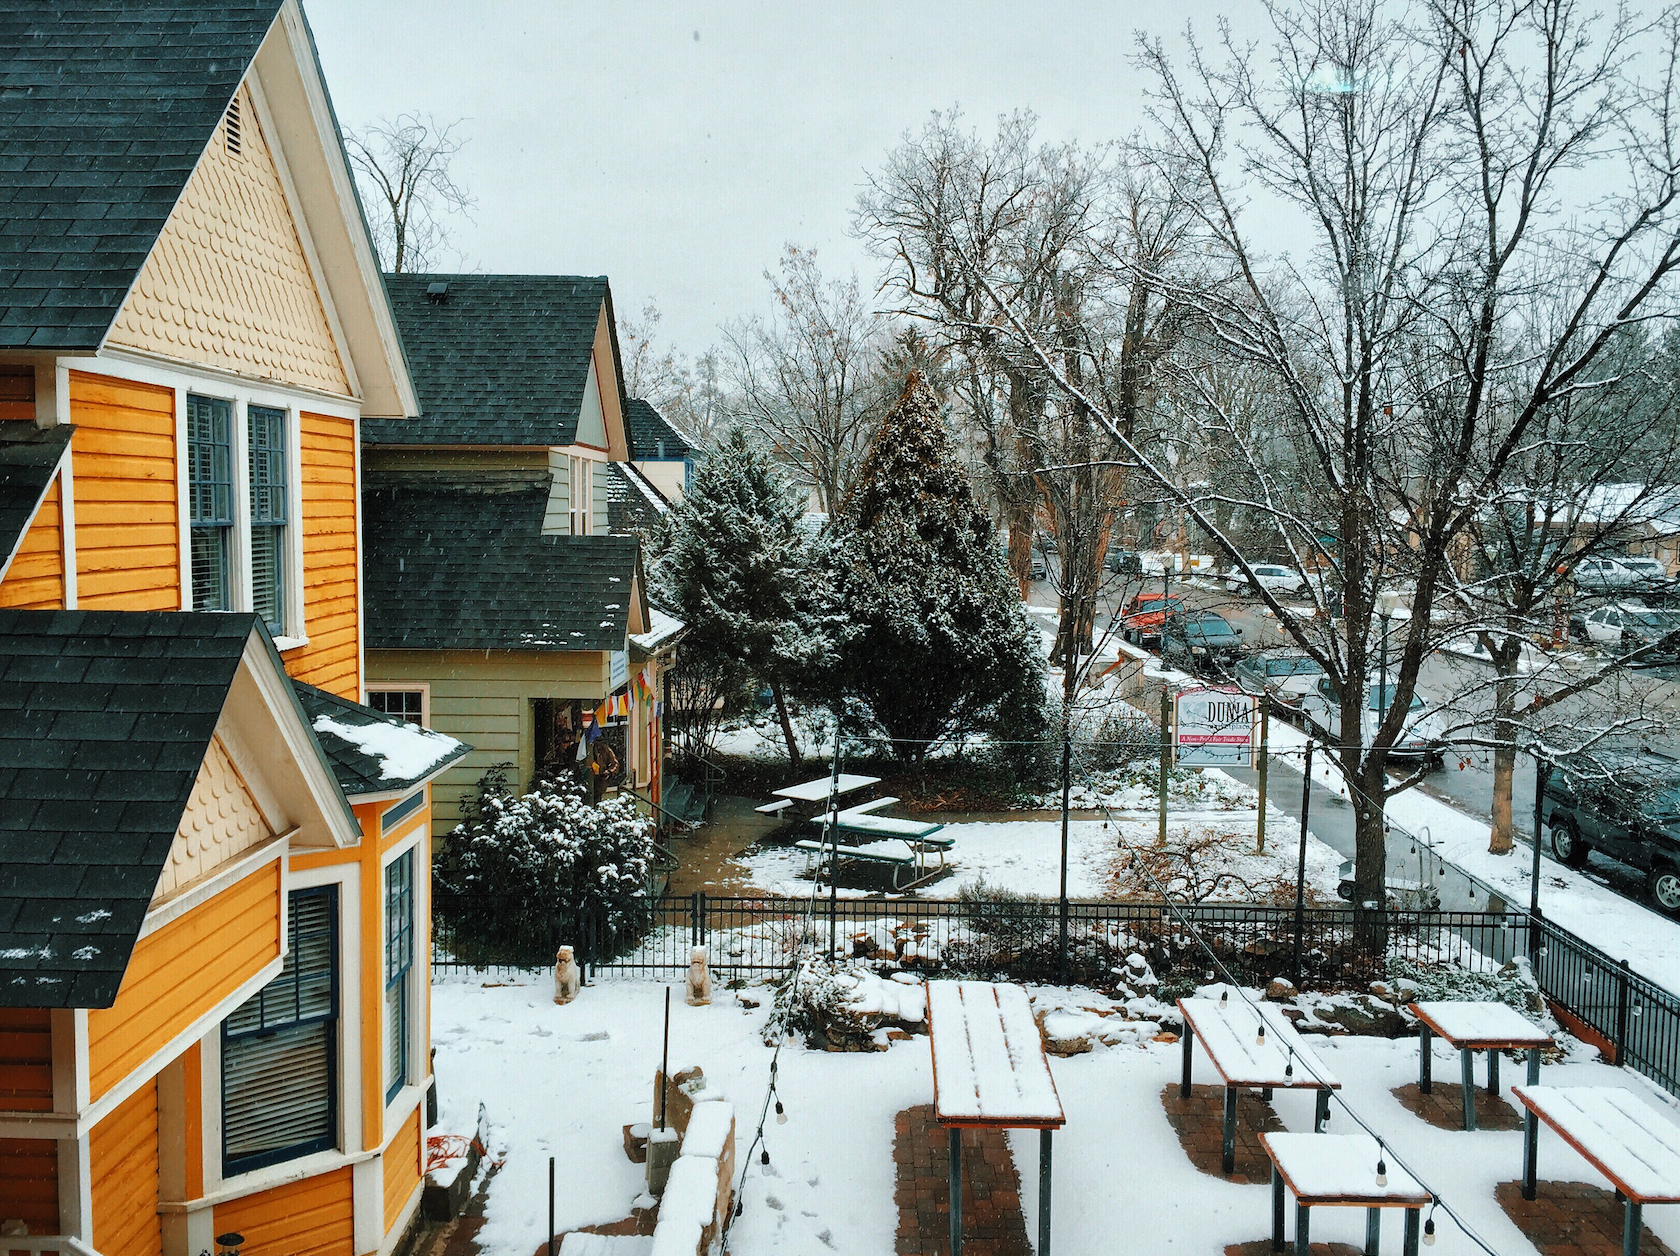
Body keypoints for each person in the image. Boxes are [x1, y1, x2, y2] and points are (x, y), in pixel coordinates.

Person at [590, 737, 619, 803]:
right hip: (588, 779)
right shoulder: (584, 748)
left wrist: (609, 771)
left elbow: (615, 763)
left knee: (597, 798)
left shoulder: (605, 749)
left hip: (600, 778)